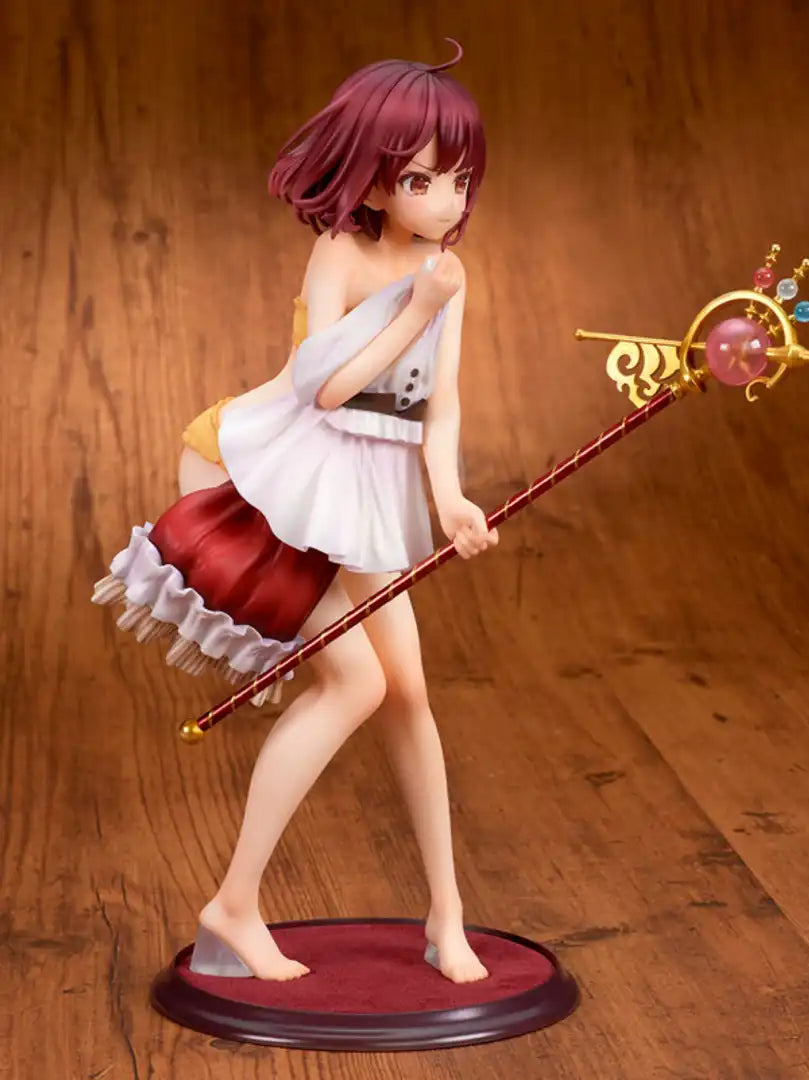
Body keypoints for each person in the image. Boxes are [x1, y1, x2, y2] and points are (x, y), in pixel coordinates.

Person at [92, 40, 498, 984]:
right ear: (376, 179)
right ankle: (233, 906)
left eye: (459, 180)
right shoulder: (342, 252)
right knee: (354, 684)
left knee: (409, 693)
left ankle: (446, 913)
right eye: (423, 180)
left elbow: (438, 403)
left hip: (357, 495)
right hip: (259, 479)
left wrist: (449, 498)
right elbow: (324, 386)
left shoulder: (446, 269)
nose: (447, 201)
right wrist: (414, 307)